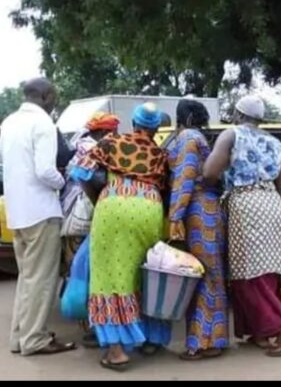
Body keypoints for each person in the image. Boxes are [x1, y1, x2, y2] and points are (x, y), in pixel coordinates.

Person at [71, 102, 169, 370]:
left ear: (134, 124)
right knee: (144, 273)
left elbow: (80, 172)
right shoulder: (160, 153)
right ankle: (150, 338)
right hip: (150, 208)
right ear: (156, 128)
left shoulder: (112, 142)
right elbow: (168, 190)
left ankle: (116, 351)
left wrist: (99, 199)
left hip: (114, 205)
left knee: (109, 276)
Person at [203, 94, 281, 356]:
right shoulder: (275, 143)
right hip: (273, 205)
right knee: (267, 271)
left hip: (246, 204)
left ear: (237, 114)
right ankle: (260, 332)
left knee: (247, 274)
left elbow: (210, 173)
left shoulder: (231, 135)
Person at [0, 77, 77, 356]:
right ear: (45, 96)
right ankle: (36, 340)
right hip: (41, 212)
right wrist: (64, 180)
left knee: (27, 279)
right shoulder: (43, 123)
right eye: (54, 96)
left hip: (18, 213)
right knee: (42, 281)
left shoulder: (9, 122)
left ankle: (19, 338)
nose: (55, 101)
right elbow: (45, 171)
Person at [167, 99, 229, 361]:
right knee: (209, 274)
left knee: (205, 275)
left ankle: (206, 342)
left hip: (197, 211)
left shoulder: (188, 137)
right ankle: (212, 338)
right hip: (207, 209)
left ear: (183, 118)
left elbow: (185, 178)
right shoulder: (200, 137)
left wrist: (175, 217)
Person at [59, 112, 120, 347]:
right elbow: (90, 179)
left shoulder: (79, 144)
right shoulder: (95, 148)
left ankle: (88, 324)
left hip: (71, 216)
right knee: (92, 273)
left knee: (77, 272)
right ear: (106, 132)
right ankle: (93, 327)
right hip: (87, 217)